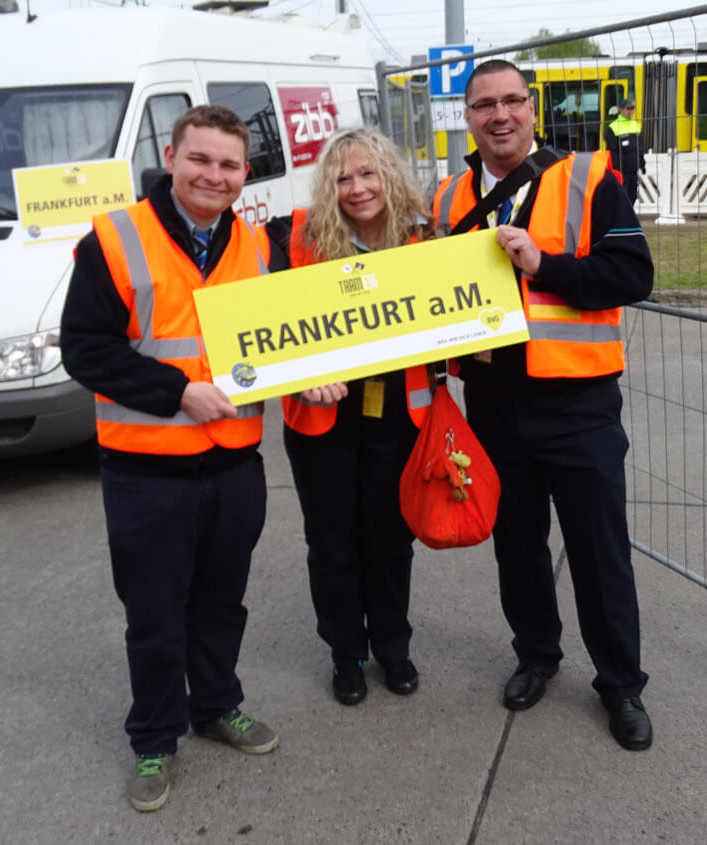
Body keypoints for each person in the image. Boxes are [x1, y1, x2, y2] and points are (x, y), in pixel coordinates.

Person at [61, 104, 283, 813]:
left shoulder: (254, 244)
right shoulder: (115, 239)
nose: (213, 175)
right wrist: (175, 392)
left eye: (228, 165)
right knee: (155, 613)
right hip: (146, 465)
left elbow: (272, 341)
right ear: (172, 155)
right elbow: (85, 349)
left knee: (221, 602)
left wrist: (311, 371)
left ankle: (217, 704)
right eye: (200, 160)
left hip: (233, 462)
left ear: (244, 173)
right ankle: (155, 737)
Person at [432, 59, 655, 751]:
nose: (498, 115)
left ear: (533, 108)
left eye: (511, 102)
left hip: (579, 406)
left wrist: (544, 265)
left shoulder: (588, 179)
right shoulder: (447, 199)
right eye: (483, 106)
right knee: (517, 548)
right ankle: (537, 655)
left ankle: (621, 685)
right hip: (494, 407)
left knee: (599, 555)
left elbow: (633, 274)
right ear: (466, 117)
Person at [263, 128, 435, 706]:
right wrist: (299, 376)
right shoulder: (296, 239)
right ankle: (345, 654)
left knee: (390, 542)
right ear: (326, 187)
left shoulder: (425, 237)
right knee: (333, 546)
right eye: (343, 178)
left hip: (398, 419)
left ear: (390, 176)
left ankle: (393, 646)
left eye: (368, 174)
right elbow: (260, 329)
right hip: (322, 425)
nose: (358, 188)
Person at [604, 97, 645, 207]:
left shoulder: (636, 125)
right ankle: (622, 219)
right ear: (621, 110)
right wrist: (616, 168)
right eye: (628, 109)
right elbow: (612, 151)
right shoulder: (613, 127)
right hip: (621, 170)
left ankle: (628, 217)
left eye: (632, 109)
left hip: (633, 168)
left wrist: (642, 163)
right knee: (622, 195)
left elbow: (639, 147)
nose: (630, 112)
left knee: (633, 195)